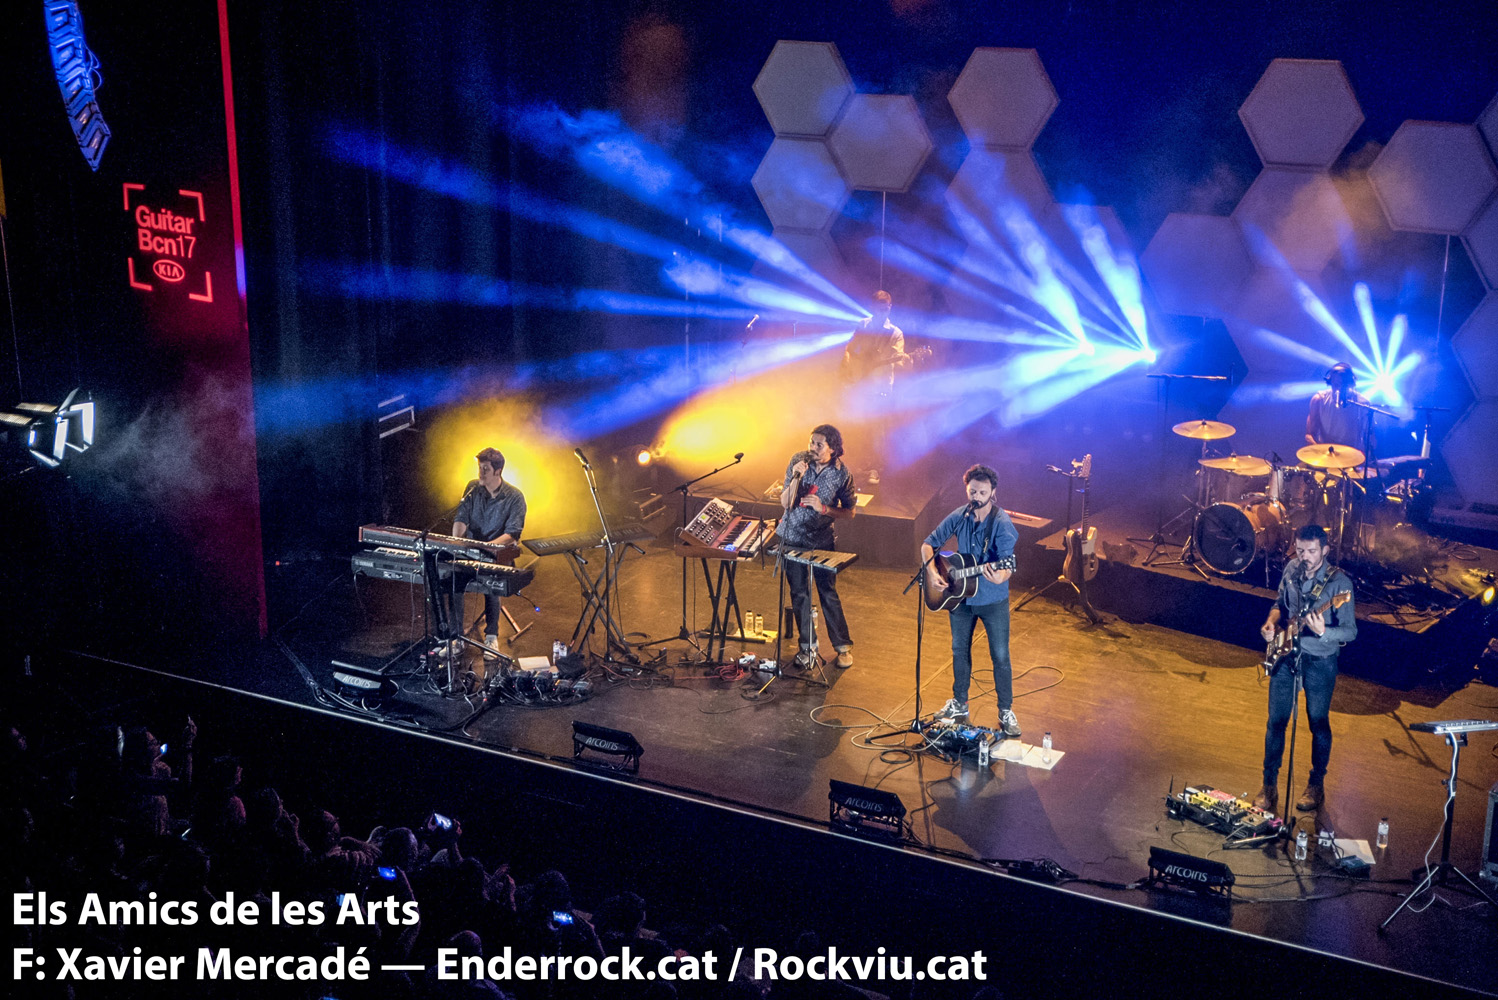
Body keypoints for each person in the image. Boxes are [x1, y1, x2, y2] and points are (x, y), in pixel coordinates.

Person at [1254, 524, 1356, 813]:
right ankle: (1269, 785)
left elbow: (1350, 631)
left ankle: (1316, 784)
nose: (1305, 557)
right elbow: (1279, 603)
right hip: (1287, 654)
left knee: (1318, 722)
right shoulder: (1292, 569)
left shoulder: (1340, 584)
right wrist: (1271, 623)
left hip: (1320, 660)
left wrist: (1324, 632)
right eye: (1300, 550)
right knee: (1276, 722)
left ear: (1324, 550)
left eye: (1311, 551)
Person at [920, 465, 1021, 737]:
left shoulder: (1002, 523)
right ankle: (959, 703)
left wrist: (1001, 576)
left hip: (992, 600)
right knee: (959, 650)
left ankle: (1005, 710)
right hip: (961, 597)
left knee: (1000, 655)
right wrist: (932, 572)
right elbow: (928, 544)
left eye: (982, 492)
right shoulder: (960, 515)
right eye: (972, 491)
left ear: (993, 492)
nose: (976, 497)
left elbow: (1007, 564)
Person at [777, 425, 857, 668]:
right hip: (792, 536)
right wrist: (795, 477)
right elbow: (785, 502)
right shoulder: (798, 461)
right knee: (799, 593)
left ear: (833, 448)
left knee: (827, 592)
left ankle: (843, 647)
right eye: (811, 442)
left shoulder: (842, 474)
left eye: (819, 444)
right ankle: (807, 647)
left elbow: (850, 512)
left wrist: (824, 508)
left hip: (821, 540)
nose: (813, 448)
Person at [448, 447, 526, 660]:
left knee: (492, 580)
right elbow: (461, 517)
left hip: (496, 554)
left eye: (485, 469)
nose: (480, 473)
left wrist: (486, 549)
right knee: (451, 578)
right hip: (470, 551)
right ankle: (456, 637)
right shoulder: (473, 488)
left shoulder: (515, 497)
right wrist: (456, 544)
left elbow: (512, 534)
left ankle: (491, 635)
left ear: (498, 471)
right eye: (479, 468)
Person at [1305, 361, 1372, 449]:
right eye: (1336, 384)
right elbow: (1310, 435)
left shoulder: (1363, 404)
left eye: (1344, 385)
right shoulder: (1319, 400)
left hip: (1353, 455)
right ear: (1330, 382)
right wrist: (1319, 452)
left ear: (1351, 383)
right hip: (1326, 453)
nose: (1340, 388)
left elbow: (1369, 437)